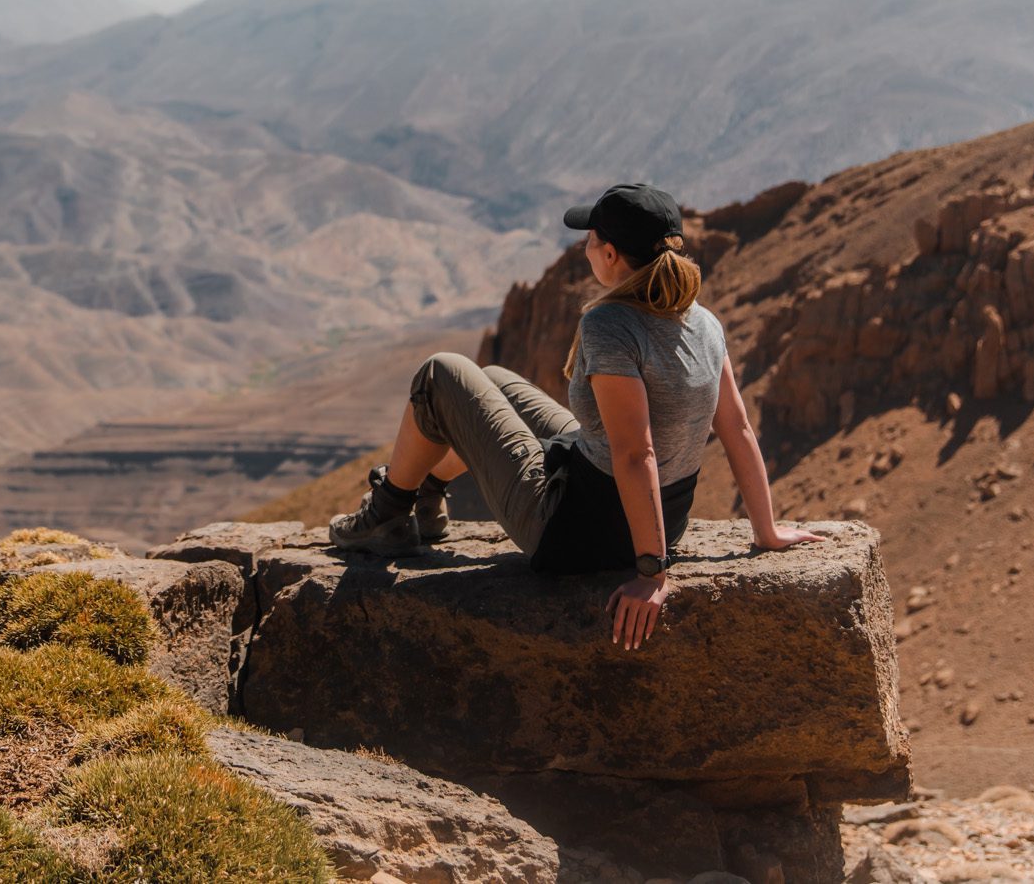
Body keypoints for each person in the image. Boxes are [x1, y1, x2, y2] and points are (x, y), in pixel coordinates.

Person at [328, 181, 821, 649]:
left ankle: (388, 513)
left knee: (440, 373)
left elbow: (635, 452)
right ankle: (430, 493)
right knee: (496, 380)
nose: (585, 248)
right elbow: (735, 427)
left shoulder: (609, 324)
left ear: (610, 255)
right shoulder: (703, 320)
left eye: (591, 239)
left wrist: (651, 575)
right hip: (657, 521)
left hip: (575, 532)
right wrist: (766, 531)